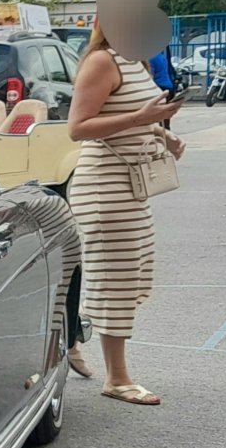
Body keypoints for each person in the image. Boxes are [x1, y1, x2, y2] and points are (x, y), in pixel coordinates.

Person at [65, 21, 185, 405]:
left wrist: (164, 136)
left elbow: (135, 115)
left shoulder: (135, 61)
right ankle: (117, 378)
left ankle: (65, 341)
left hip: (132, 188)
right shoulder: (101, 61)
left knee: (125, 279)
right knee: (114, 283)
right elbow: (78, 127)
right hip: (105, 188)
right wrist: (140, 120)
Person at [147, 47, 177, 130]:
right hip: (169, 86)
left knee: (157, 114)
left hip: (159, 87)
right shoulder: (162, 56)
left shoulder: (151, 57)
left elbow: (151, 75)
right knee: (165, 115)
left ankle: (161, 132)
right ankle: (166, 130)